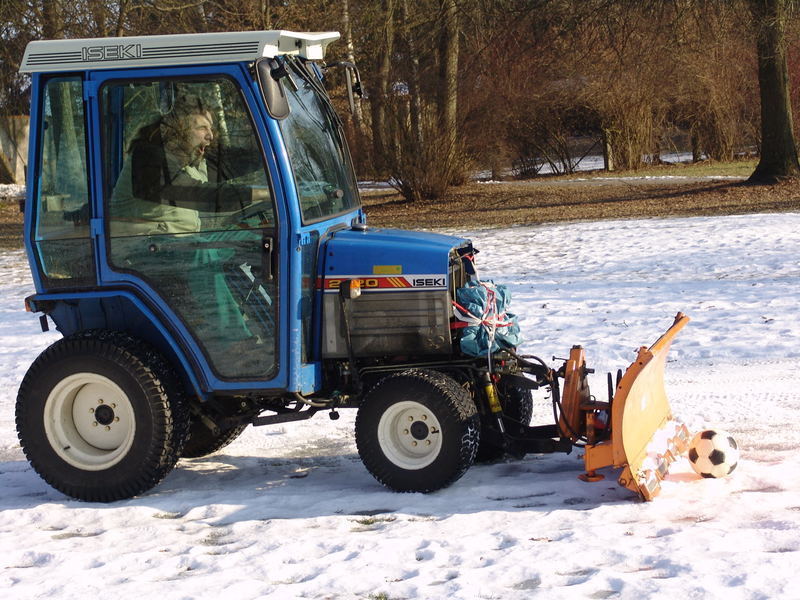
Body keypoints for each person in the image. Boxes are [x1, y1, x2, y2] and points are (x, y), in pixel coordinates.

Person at [108, 95, 271, 378]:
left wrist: (274, 153)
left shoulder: (190, 156)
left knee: (248, 237)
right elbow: (197, 195)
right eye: (201, 128)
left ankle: (273, 326)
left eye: (210, 128)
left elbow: (234, 160)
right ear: (181, 128)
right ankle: (236, 343)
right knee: (203, 252)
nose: (210, 135)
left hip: (172, 242)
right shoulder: (149, 157)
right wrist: (261, 193)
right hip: (139, 249)